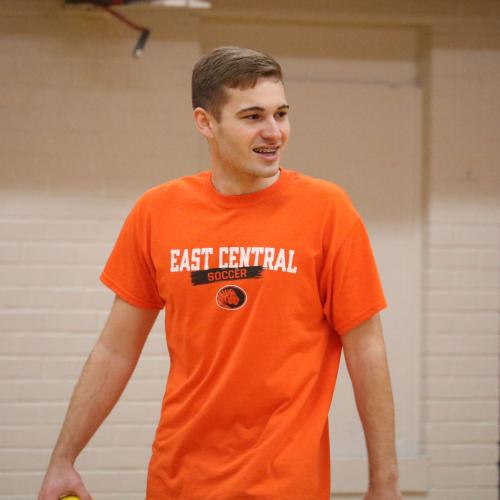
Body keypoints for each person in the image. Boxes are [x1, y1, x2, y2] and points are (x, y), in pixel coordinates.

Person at [38, 46, 402, 500]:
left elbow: (366, 349)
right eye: (253, 117)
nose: (275, 133)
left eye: (282, 113)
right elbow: (115, 350)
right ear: (205, 123)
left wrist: (384, 483)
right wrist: (63, 459)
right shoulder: (157, 212)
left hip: (284, 483)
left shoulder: (328, 210)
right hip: (178, 480)